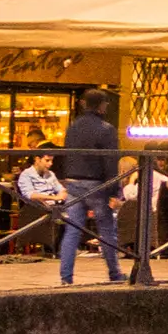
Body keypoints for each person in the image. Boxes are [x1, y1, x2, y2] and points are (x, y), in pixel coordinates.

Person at [52, 87, 126, 284]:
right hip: (97, 184)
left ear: (84, 104)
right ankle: (114, 273)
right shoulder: (107, 129)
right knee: (106, 229)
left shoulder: (72, 127)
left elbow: (67, 155)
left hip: (74, 182)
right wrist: (114, 190)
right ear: (102, 106)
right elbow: (110, 162)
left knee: (72, 230)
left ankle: (65, 277)